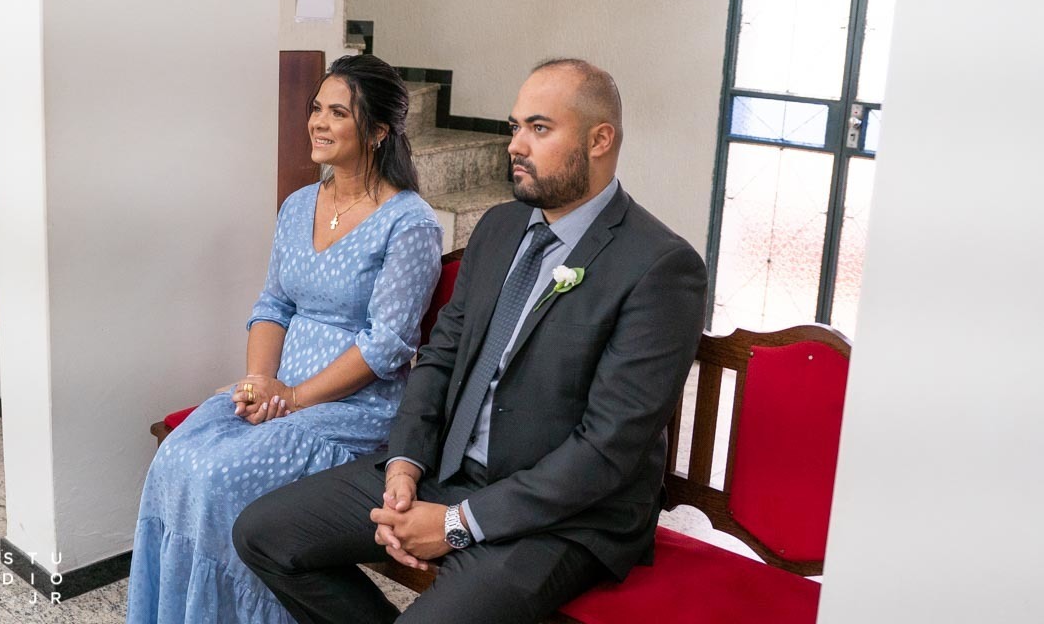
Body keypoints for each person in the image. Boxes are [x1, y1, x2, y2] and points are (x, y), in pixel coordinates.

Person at [232, 58, 708, 624]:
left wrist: (456, 524)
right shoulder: (499, 227)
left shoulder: (659, 266)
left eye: (539, 128)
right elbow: (439, 358)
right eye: (514, 127)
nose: (516, 146)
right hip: (448, 470)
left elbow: (607, 449)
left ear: (599, 140)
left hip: (564, 516)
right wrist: (404, 464)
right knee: (264, 534)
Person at [126, 54, 444, 624]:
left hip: (354, 411)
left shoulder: (411, 222)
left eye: (338, 113)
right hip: (279, 391)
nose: (318, 122)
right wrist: (258, 382)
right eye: (317, 108)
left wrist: (295, 398)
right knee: (176, 459)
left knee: (219, 479)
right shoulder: (299, 205)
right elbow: (273, 305)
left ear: (377, 131)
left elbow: (387, 345)